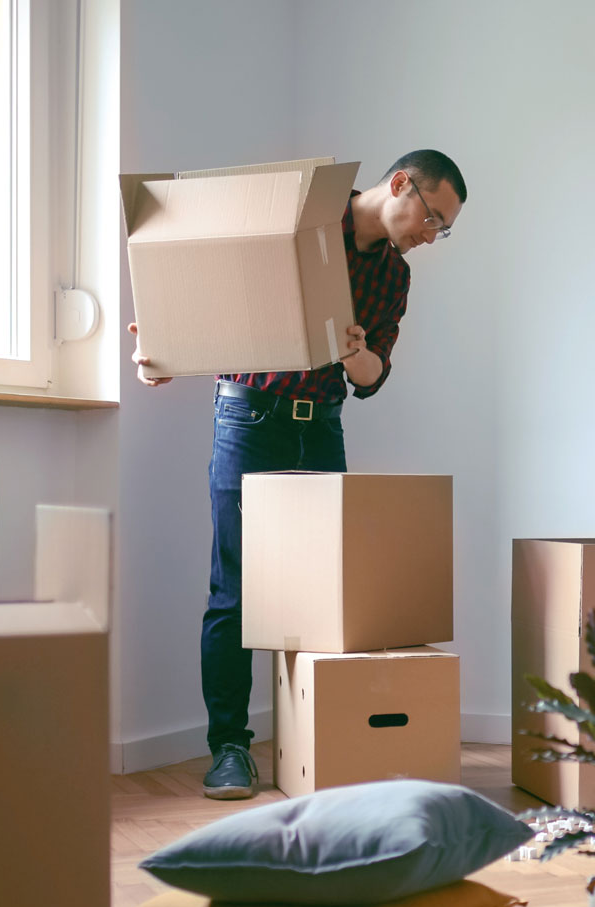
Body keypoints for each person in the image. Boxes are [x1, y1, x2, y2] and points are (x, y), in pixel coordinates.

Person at [129, 150, 466, 798]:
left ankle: (317, 744)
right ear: (401, 185)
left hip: (324, 424)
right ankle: (230, 749)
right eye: (433, 218)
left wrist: (360, 353)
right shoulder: (298, 219)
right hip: (249, 417)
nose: (432, 236)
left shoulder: (394, 276)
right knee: (236, 590)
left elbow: (373, 379)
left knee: (324, 598)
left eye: (442, 229)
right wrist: (161, 350)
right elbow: (213, 294)